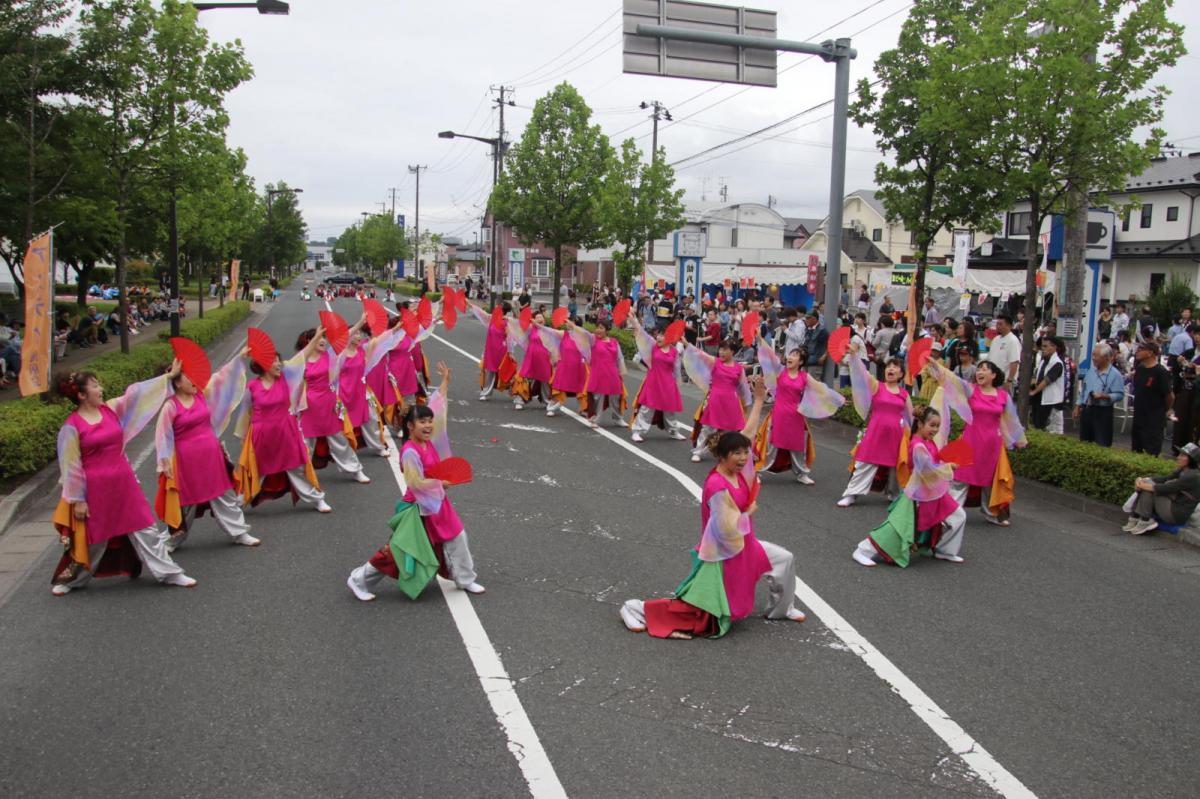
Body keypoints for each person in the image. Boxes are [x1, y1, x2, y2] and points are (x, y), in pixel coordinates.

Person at [618, 377, 807, 638]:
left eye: (745, 453)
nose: (743, 458)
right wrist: (748, 513)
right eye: (737, 454)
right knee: (697, 614)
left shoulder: (737, 472)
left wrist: (760, 400)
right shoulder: (718, 486)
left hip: (744, 545)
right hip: (722, 555)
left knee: (784, 560)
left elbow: (748, 433)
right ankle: (635, 608)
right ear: (722, 457)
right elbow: (726, 529)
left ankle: (781, 609)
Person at [50, 364, 197, 595]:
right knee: (95, 538)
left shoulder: (111, 409)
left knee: (145, 528)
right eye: (95, 385)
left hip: (123, 482)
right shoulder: (71, 427)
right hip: (95, 489)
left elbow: (136, 395)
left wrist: (167, 378)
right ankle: (72, 580)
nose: (101, 388)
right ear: (81, 395)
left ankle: (170, 573)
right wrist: (77, 499)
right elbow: (71, 467)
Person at [347, 363, 486, 600]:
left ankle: (465, 579)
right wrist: (439, 484)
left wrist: (444, 384)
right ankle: (359, 579)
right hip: (418, 507)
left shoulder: (427, 442)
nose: (429, 425)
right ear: (410, 426)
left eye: (429, 421)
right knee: (399, 550)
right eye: (422, 422)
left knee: (456, 537)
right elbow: (415, 483)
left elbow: (437, 409)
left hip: (437, 503)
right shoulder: (410, 451)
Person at [154, 348, 260, 550]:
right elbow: (163, 436)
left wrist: (238, 358)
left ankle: (239, 532)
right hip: (186, 462)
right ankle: (171, 540)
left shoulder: (202, 395)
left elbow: (221, 378)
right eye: (187, 378)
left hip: (211, 456)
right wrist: (164, 462)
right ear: (176, 382)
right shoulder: (171, 406)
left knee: (224, 494)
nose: (194, 380)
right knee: (185, 503)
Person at [852, 406, 967, 567]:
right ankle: (863, 550)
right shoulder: (918, 445)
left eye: (937, 426)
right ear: (920, 424)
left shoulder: (928, 442)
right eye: (932, 425)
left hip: (934, 493)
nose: (935, 429)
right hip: (917, 496)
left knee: (958, 516)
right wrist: (948, 467)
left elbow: (933, 465)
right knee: (897, 529)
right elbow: (926, 470)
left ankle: (945, 550)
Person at [232, 331, 331, 512]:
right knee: (257, 471)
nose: (278, 364)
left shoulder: (286, 377)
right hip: (261, 435)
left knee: (296, 468)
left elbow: (303, 355)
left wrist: (316, 338)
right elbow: (245, 413)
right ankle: (238, 502)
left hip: (286, 430)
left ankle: (317, 499)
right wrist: (243, 436)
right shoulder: (252, 387)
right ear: (262, 365)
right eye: (273, 361)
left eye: (279, 360)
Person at [931, 359, 1027, 526]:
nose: (980, 372)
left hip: (992, 444)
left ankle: (991, 512)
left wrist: (1017, 439)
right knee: (961, 477)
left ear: (994, 375)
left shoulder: (1003, 396)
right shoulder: (971, 390)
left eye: (985, 369)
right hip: (971, 440)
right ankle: (950, 513)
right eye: (979, 369)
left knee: (990, 479)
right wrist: (935, 365)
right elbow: (954, 380)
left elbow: (1010, 419)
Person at [837, 341, 913, 507]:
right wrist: (855, 356)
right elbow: (863, 374)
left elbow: (910, 417)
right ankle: (852, 494)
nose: (890, 369)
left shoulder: (904, 394)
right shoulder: (877, 386)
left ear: (901, 374)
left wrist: (911, 438)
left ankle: (894, 494)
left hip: (896, 436)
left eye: (895, 368)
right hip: (875, 432)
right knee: (865, 462)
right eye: (888, 367)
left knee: (895, 466)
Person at [755, 343, 844, 485]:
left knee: (797, 447)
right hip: (779, 414)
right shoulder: (780, 371)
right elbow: (770, 354)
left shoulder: (805, 377)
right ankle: (758, 471)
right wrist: (760, 338)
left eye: (795, 355)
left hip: (796, 416)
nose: (790, 357)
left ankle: (802, 474)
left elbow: (822, 390)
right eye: (790, 354)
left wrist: (839, 400)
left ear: (801, 362)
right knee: (772, 445)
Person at [296, 327, 372, 484]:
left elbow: (344, 338)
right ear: (309, 343)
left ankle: (355, 470)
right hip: (309, 406)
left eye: (324, 337)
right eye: (318, 338)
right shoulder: (301, 360)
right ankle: (303, 476)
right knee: (306, 444)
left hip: (328, 403)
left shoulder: (330, 355)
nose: (323, 340)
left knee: (339, 439)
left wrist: (359, 324)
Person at [337, 317, 400, 458]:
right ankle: (345, 451)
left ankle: (378, 447)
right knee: (343, 424)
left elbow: (379, 340)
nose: (358, 336)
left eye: (359, 333)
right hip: (344, 393)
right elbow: (344, 336)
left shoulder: (363, 350)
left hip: (361, 392)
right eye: (355, 334)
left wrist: (396, 328)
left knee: (371, 418)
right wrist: (360, 321)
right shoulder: (340, 354)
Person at [684, 338, 752, 463]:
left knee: (730, 430)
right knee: (708, 428)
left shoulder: (739, 368)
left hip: (731, 402)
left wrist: (747, 404)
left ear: (732, 352)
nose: (721, 352)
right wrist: (686, 343)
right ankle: (698, 451)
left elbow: (743, 388)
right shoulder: (715, 362)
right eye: (720, 349)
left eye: (725, 349)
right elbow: (700, 354)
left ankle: (726, 454)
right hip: (715, 400)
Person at [629, 316, 688, 443]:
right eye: (658, 335)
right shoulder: (653, 346)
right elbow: (641, 332)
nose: (659, 338)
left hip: (668, 384)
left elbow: (677, 370)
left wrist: (677, 385)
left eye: (663, 335)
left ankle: (673, 431)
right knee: (647, 408)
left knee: (669, 410)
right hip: (653, 382)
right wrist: (633, 319)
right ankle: (637, 431)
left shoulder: (674, 352)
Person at [1123, 443, 1200, 535]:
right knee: (1148, 485)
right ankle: (1138, 518)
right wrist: (1143, 479)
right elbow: (1165, 478)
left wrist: (1141, 485)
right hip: (1172, 505)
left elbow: (1165, 488)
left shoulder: (1192, 476)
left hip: (1176, 514)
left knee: (1150, 489)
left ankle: (1142, 519)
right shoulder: (1183, 470)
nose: (1178, 457)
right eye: (1179, 454)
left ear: (1191, 460)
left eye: (1182, 455)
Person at [567, 318, 626, 429]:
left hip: (612, 374)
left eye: (601, 328)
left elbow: (620, 358)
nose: (598, 330)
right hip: (598, 373)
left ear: (607, 329)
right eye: (597, 327)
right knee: (597, 398)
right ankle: (595, 419)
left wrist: (621, 372)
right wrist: (574, 327)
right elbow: (584, 333)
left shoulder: (614, 342)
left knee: (615, 397)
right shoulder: (593, 340)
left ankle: (618, 418)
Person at [1073, 343, 1124, 447]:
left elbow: (1120, 394)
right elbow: (1084, 391)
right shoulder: (1091, 371)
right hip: (1087, 409)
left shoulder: (1115, 374)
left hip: (1103, 412)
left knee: (1102, 442)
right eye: (1093, 355)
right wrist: (1078, 406)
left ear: (1106, 358)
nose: (1093, 358)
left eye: (1096, 356)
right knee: (1085, 441)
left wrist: (1104, 396)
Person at [1130, 342, 1172, 457]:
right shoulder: (1140, 368)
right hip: (1139, 417)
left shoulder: (1161, 372)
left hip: (1153, 421)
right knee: (1135, 451)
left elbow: (1169, 396)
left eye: (1141, 349)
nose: (1137, 351)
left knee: (1150, 453)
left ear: (1150, 353)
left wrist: (1164, 409)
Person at [509, 310, 554, 410]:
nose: (539, 319)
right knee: (523, 377)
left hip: (544, 359)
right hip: (530, 357)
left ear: (544, 320)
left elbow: (554, 346)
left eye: (541, 317)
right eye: (537, 317)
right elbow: (518, 325)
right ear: (533, 320)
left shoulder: (548, 331)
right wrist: (509, 319)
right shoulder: (530, 328)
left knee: (545, 380)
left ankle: (547, 401)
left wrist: (553, 358)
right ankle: (519, 400)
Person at [543, 315, 587, 417]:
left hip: (579, 366)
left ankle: (584, 408)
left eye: (570, 322)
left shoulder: (583, 335)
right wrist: (539, 326)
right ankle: (553, 406)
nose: (567, 324)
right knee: (560, 386)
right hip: (564, 365)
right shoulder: (564, 334)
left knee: (581, 388)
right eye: (567, 322)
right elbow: (551, 332)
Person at [469, 301, 513, 400]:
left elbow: (509, 337)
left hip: (501, 349)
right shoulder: (492, 319)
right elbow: (481, 313)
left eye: (498, 307)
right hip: (490, 349)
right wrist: (470, 304)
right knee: (489, 370)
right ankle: (486, 392)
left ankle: (513, 390)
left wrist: (510, 351)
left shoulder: (506, 322)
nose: (496, 308)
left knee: (505, 370)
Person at [1029, 337, 1066, 433]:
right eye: (1042, 346)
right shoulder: (1043, 361)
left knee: (1052, 430)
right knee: (1038, 427)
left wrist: (1034, 392)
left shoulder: (1057, 363)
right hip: (1040, 400)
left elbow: (1047, 380)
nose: (1042, 349)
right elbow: (1037, 377)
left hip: (1051, 402)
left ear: (1054, 347)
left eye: (1045, 346)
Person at [985, 315, 1021, 389]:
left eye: (1000, 324)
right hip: (992, 379)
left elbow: (1014, 362)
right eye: (997, 324)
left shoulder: (1013, 340)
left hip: (1004, 380)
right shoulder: (996, 339)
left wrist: (1009, 380)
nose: (998, 326)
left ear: (1009, 326)